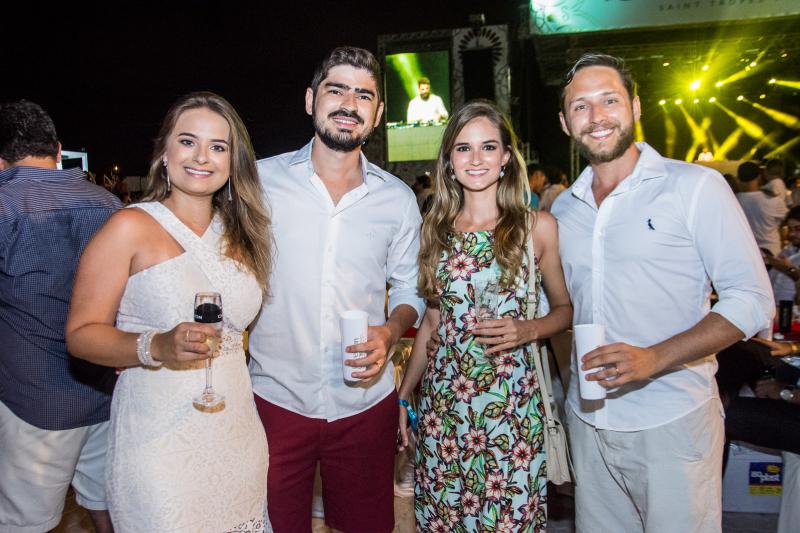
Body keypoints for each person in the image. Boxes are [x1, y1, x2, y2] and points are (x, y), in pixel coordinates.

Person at [552, 53, 774, 532]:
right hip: (589, 422)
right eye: (581, 106)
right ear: (566, 123)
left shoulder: (693, 187)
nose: (597, 116)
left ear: (634, 106)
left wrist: (655, 357)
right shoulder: (564, 209)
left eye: (609, 100)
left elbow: (752, 299)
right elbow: (565, 307)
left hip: (672, 419)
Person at [65, 92, 272, 532]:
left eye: (218, 147)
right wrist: (155, 345)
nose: (202, 157)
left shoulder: (244, 234)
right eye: (187, 141)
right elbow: (81, 334)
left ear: (233, 162)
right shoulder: (129, 227)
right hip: (157, 439)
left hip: (236, 430)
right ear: (164, 151)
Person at [248, 46, 425, 533]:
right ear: (311, 100)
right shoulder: (258, 182)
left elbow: (410, 289)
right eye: (337, 90)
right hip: (274, 400)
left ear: (378, 113)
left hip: (364, 405)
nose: (349, 104)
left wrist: (391, 331)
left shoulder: (397, 199)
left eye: (363, 95)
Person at [397, 100, 572, 530]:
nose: (476, 159)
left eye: (488, 147)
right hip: (444, 411)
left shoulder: (536, 228)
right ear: (449, 160)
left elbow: (565, 310)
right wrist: (403, 395)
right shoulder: (434, 231)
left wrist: (528, 329)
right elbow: (432, 322)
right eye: (463, 148)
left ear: (506, 157)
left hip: (511, 410)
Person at [0, 100, 120, 533]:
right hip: (105, 392)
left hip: (35, 400)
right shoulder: (109, 204)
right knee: (107, 504)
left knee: (25, 521)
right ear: (57, 149)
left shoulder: (5, 205)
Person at [737, 160, 788, 257]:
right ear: (759, 177)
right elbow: (787, 219)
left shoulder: (733, 200)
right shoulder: (773, 200)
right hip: (772, 253)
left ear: (738, 178)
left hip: (747, 253)